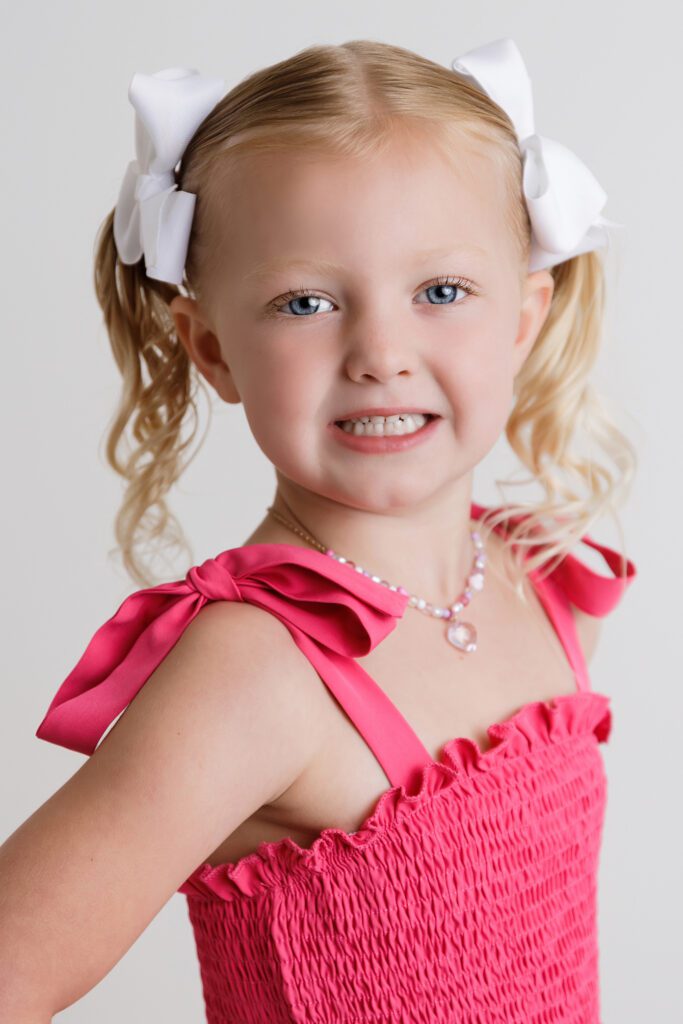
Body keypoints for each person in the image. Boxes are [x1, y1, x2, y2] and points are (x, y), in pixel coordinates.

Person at [0, 36, 638, 1024]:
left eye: (439, 292)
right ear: (211, 349)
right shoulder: (255, 673)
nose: (380, 353)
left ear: (522, 317)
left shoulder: (535, 577)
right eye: (305, 302)